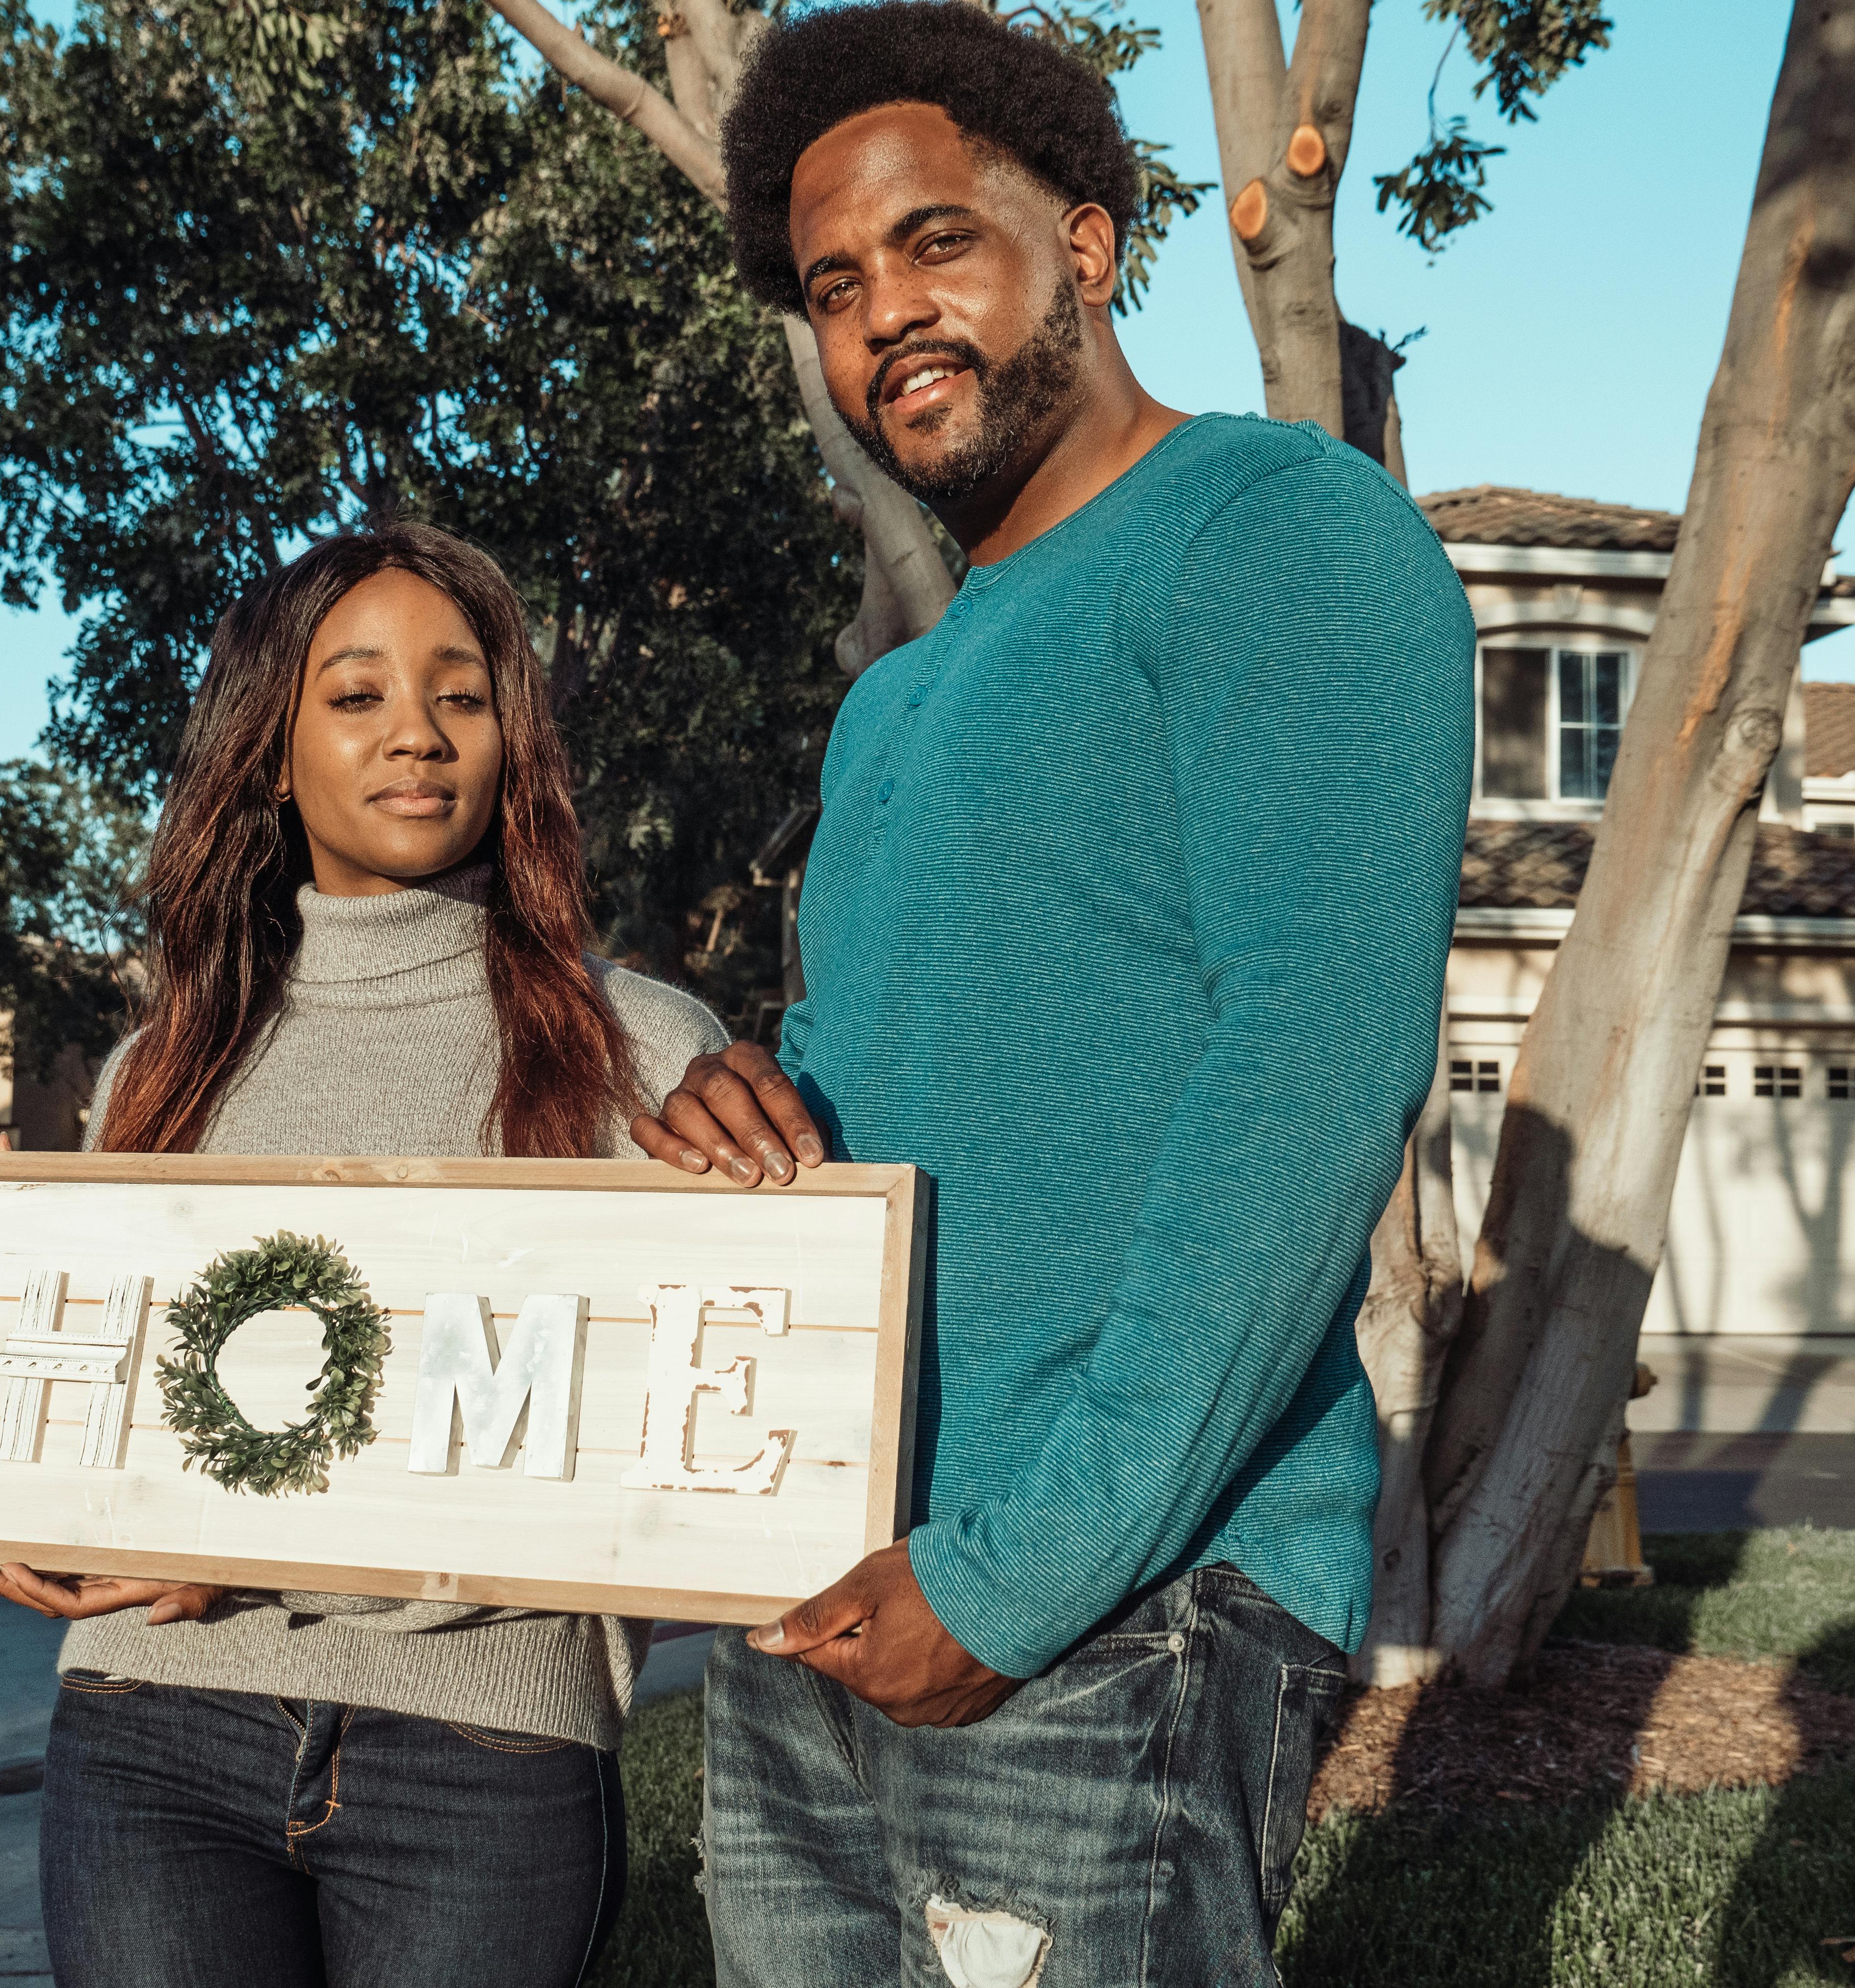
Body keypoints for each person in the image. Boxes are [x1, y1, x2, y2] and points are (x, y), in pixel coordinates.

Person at [624, 6, 1475, 1982]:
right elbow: (882, 1068)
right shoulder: (899, 700)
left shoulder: (1277, 530)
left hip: (1117, 1607)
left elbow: (1314, 1073)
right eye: (836, 286)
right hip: (831, 1577)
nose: (886, 317)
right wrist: (749, 1101)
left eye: (938, 243)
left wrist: (1024, 1576)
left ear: (1086, 247)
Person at [0, 524, 726, 1988]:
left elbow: (710, 1449)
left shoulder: (645, 1052)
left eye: (460, 695)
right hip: (152, 1727)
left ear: (510, 736)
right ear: (272, 750)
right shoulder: (161, 1065)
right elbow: (105, 1424)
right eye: (356, 696)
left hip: (485, 1749)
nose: (416, 732)